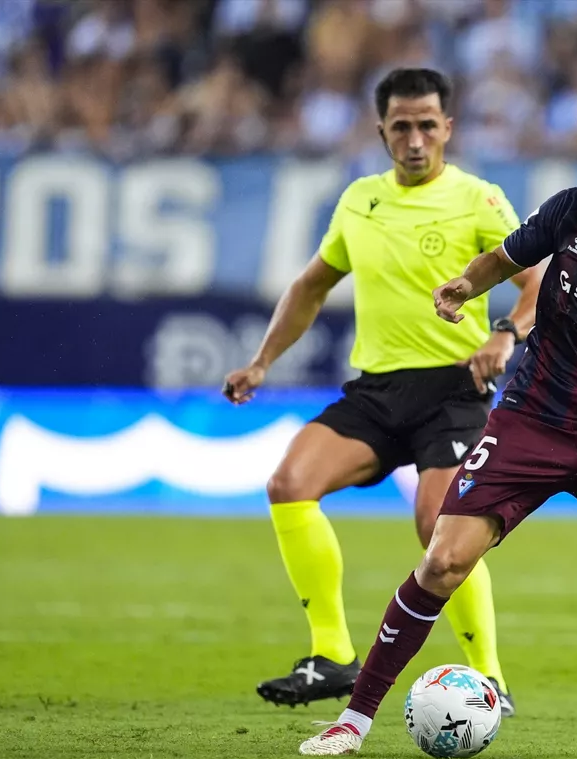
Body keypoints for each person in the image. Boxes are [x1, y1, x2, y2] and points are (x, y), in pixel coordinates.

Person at [299, 86, 577, 759]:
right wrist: (464, 286)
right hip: (530, 421)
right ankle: (354, 719)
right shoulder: (575, 208)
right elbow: (506, 259)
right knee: (443, 560)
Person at [222, 68, 542, 715]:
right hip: (377, 390)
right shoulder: (359, 201)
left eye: (428, 125)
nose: (416, 138)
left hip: (454, 390)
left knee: (439, 526)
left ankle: (491, 678)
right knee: (289, 483)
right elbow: (312, 286)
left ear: (448, 127)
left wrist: (504, 335)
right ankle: (333, 655)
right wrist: (260, 362)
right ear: (382, 131)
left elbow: (536, 281)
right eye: (402, 126)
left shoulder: (479, 200)